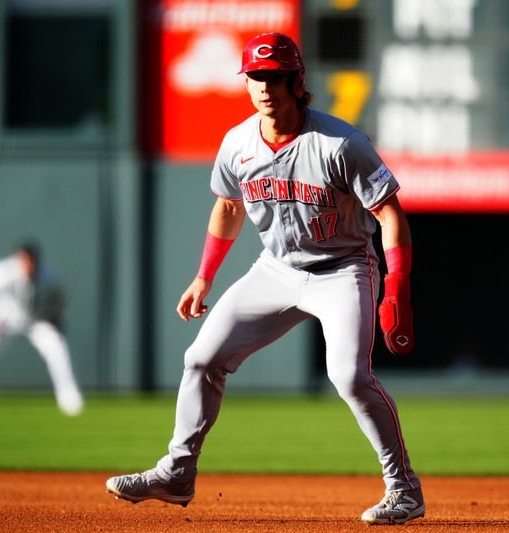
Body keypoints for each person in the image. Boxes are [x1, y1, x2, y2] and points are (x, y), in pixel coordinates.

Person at [106, 32, 423, 525]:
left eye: (274, 76)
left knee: (350, 376)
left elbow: (389, 214)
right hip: (276, 269)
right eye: (255, 76)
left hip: (342, 269)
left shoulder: (341, 143)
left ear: (297, 82)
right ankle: (177, 472)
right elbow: (229, 207)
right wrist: (203, 277)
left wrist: (397, 284)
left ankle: (403, 490)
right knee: (200, 359)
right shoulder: (237, 142)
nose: (264, 86)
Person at [0, 242, 84, 416]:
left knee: (56, 347)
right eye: (23, 261)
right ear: (17, 259)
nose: (27, 265)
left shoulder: (47, 272)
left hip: (34, 319)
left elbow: (59, 294)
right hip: (2, 318)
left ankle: (69, 399)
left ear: (36, 261)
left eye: (30, 261)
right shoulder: (2, 272)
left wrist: (54, 318)